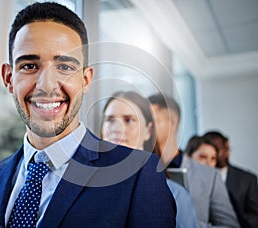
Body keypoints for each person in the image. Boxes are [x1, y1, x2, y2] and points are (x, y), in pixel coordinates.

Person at [0, 2, 176, 227]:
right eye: (29, 66)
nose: (47, 85)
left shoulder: (137, 175)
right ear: (8, 78)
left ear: (85, 79)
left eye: (65, 67)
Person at [101, 91, 197, 228]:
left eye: (129, 120)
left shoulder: (175, 195)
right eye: (110, 120)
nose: (117, 128)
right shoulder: (83, 188)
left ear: (148, 131)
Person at [149, 93, 240, 228]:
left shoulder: (209, 176)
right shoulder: (139, 171)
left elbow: (230, 225)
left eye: (153, 119)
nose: (147, 126)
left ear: (173, 121)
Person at [204, 131, 258, 228]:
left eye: (217, 149)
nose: (213, 154)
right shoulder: (196, 177)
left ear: (227, 150)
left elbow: (255, 216)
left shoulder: (247, 179)